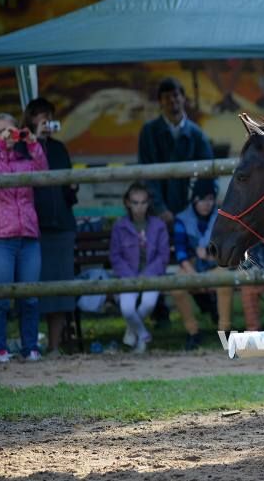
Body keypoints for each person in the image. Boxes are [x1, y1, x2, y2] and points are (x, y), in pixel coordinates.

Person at [23, 98, 77, 353]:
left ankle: (54, 347)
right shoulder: (21, 148)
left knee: (61, 291)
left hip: (62, 225)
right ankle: (31, 346)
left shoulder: (59, 148)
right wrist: (33, 140)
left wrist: (72, 189)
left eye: (49, 116)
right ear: (30, 119)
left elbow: (68, 190)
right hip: (33, 228)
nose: (46, 121)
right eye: (40, 116)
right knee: (34, 291)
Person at [0, 113, 48, 363]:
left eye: (11, 131)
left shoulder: (25, 160)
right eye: (0, 131)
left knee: (30, 297)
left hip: (29, 236)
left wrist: (33, 144)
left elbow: (45, 174)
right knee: (0, 298)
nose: (7, 135)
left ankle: (31, 348)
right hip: (0, 238)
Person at [138, 77, 214, 225]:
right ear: (160, 102)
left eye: (176, 95)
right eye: (166, 97)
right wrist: (160, 208)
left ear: (183, 98)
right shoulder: (148, 132)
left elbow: (207, 173)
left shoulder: (197, 134)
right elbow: (145, 173)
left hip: (190, 214)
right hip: (155, 213)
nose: (172, 100)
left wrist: (193, 208)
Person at [110, 182, 170, 353]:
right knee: (127, 309)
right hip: (127, 275)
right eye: (135, 202)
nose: (139, 207)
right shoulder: (119, 226)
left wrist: (148, 274)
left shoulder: (158, 226)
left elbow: (163, 256)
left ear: (149, 203)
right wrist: (130, 276)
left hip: (152, 274)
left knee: (148, 304)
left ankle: (132, 333)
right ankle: (143, 335)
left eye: (143, 202)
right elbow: (115, 256)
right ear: (127, 203)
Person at [170, 178, 221, 349]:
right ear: (194, 199)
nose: (206, 204)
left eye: (210, 199)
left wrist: (209, 256)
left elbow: (226, 249)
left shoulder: (221, 217)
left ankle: (225, 329)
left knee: (226, 282)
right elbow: (180, 252)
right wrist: (194, 276)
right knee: (177, 287)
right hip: (190, 265)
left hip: (216, 265)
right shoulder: (182, 219)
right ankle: (193, 332)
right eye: (201, 199)